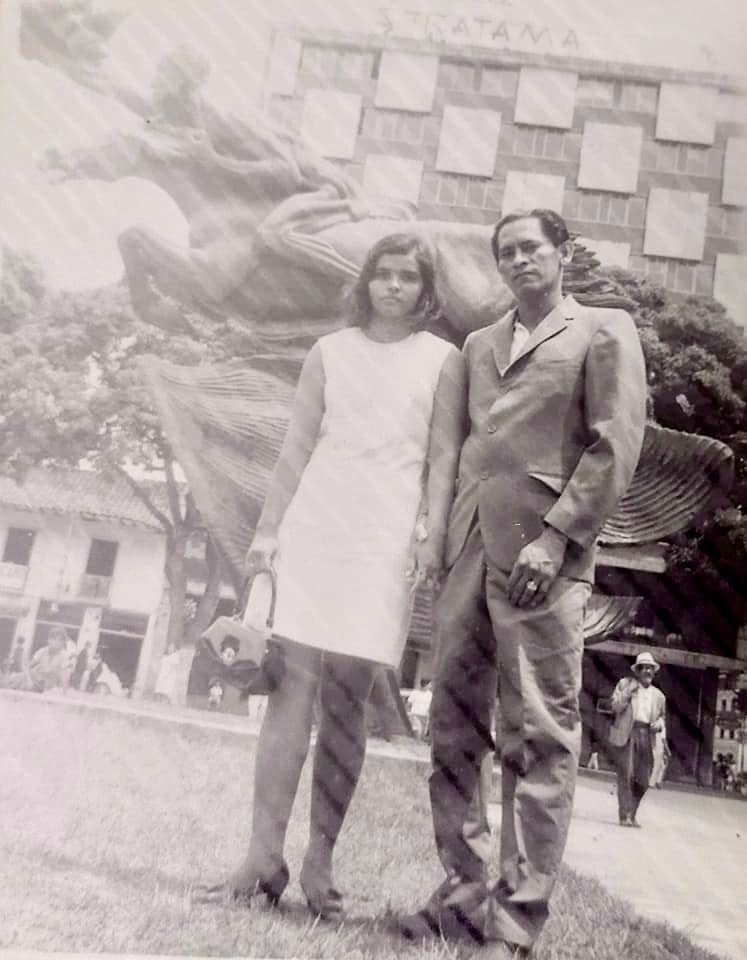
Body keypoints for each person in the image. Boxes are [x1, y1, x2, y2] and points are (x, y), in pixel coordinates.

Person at [401, 209, 647, 956]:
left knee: (538, 733)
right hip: (469, 552)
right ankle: (462, 892)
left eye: (530, 248)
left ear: (562, 253)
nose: (517, 262)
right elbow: (461, 451)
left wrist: (558, 534)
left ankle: (515, 919)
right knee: (451, 725)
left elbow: (615, 444)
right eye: (505, 253)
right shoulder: (475, 347)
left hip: (545, 560)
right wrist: (438, 543)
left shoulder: (603, 331)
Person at [203, 232, 466, 919]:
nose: (393, 287)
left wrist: (429, 539)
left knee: (349, 701)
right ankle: (261, 858)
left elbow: (442, 459)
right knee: (289, 691)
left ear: (425, 288)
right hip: (315, 525)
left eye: (407, 277)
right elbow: (295, 446)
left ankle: (320, 867)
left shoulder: (444, 360)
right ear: (365, 283)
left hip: (382, 538)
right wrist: (266, 532)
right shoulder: (329, 352)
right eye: (382, 275)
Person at [609, 651, 666, 825]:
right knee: (625, 776)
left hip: (647, 737)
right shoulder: (624, 684)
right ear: (637, 670)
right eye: (644, 668)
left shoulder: (659, 696)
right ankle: (624, 815)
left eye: (651, 668)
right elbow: (615, 706)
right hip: (628, 734)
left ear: (654, 672)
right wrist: (627, 692)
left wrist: (659, 723)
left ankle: (632, 814)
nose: (647, 671)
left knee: (643, 779)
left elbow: (662, 717)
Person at [27, 627, 74, 692]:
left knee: (55, 673)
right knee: (28, 674)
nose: (57, 643)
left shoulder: (64, 655)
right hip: (37, 679)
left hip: (50, 683)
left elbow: (65, 674)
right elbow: (29, 666)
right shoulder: (42, 651)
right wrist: (29, 679)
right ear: (49, 640)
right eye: (54, 639)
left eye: (60, 640)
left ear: (63, 643)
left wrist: (64, 690)